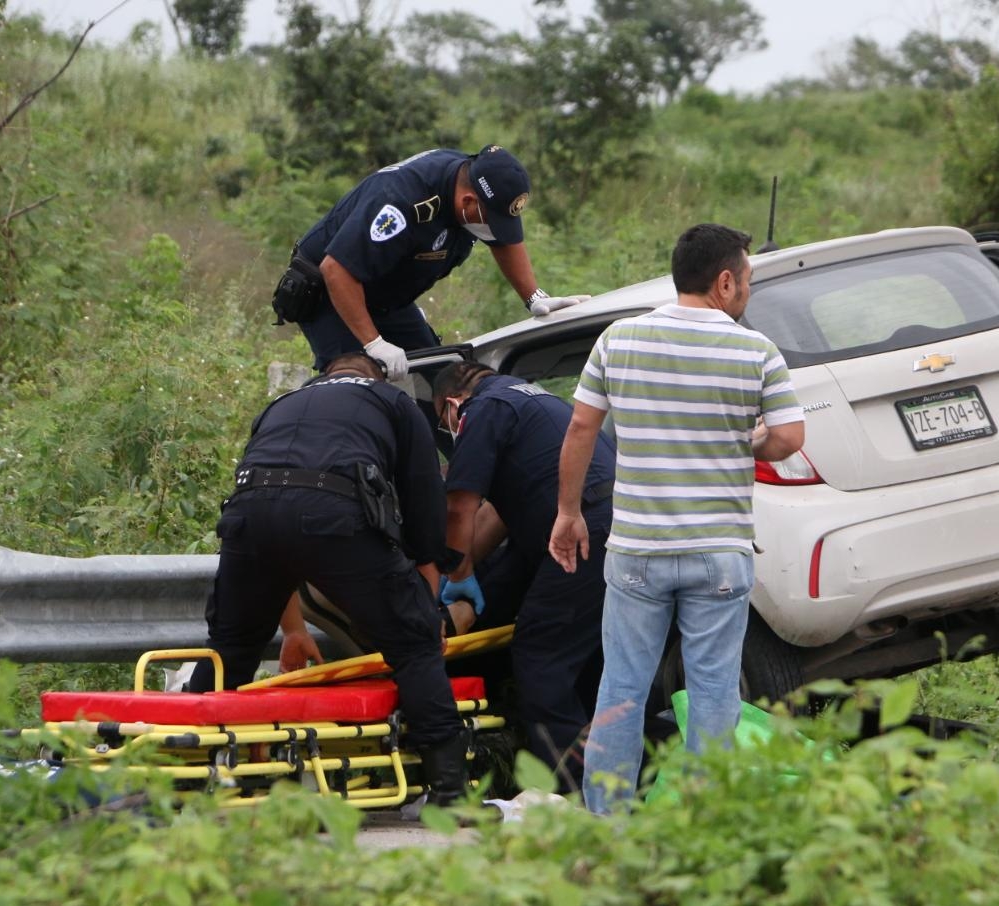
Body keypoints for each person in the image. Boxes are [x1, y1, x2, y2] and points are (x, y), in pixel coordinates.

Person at [549, 223, 806, 813]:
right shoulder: (755, 350)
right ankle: (702, 824)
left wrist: (568, 513)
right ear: (723, 282)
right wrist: (754, 442)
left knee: (621, 687)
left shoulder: (620, 339)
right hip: (719, 551)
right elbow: (790, 436)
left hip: (637, 550)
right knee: (714, 691)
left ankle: (608, 823)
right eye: (746, 280)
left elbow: (582, 428)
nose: (747, 291)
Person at [188, 352, 472, 805]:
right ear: (376, 377)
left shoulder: (283, 404)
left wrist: (293, 630)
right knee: (414, 646)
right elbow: (423, 509)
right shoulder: (392, 402)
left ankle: (184, 779)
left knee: (231, 648)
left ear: (327, 376)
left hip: (249, 515)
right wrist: (427, 609)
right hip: (335, 517)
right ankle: (451, 793)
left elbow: (277, 508)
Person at [433, 360, 616, 790]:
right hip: (618, 525)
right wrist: (463, 577)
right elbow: (499, 515)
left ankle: (576, 792)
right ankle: (621, 779)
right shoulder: (538, 402)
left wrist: (454, 571)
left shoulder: (483, 409)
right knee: (590, 664)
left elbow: (460, 506)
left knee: (540, 658)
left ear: (452, 405)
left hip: (583, 530)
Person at [271, 144, 588, 379]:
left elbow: (504, 241)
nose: (495, 233)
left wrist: (534, 297)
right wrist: (375, 343)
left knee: (444, 378)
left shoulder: (472, 188)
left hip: (385, 296)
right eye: (491, 221)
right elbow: (336, 270)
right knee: (356, 384)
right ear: (467, 202)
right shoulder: (400, 201)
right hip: (332, 293)